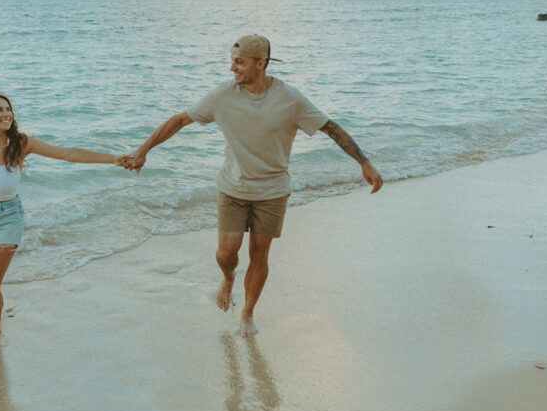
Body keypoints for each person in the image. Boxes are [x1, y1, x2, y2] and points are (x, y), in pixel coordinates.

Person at [122, 35, 383, 336]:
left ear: (262, 63)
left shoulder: (291, 99)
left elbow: (330, 128)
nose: (232, 68)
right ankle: (228, 277)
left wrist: (364, 162)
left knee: (259, 254)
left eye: (240, 62)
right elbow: (180, 120)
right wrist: (143, 150)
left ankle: (247, 313)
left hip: (272, 191)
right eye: (233, 60)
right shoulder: (223, 95)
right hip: (232, 187)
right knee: (226, 253)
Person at [0, 92, 125, 350]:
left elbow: (67, 154)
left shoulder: (21, 144)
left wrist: (113, 159)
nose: (6, 114)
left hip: (8, 218)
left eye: (8, 109)